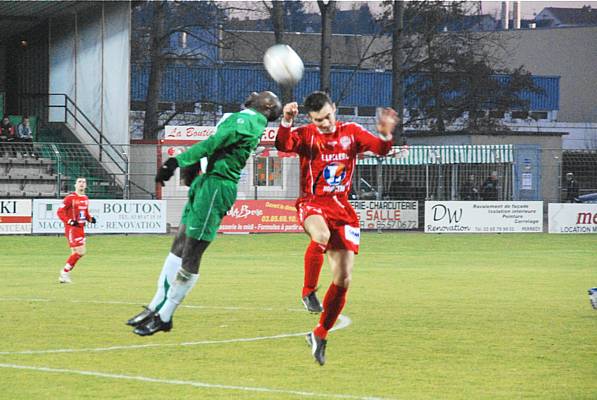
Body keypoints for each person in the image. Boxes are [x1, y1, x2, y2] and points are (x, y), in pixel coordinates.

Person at [127, 91, 282, 336]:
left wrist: (175, 162)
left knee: (192, 251)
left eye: (260, 93)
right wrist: (190, 168)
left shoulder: (249, 120)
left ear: (267, 104)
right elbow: (214, 147)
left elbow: (213, 144)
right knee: (179, 243)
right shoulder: (243, 118)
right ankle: (156, 305)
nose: (252, 93)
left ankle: (166, 315)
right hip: (206, 183)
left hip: (217, 187)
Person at [275, 91, 398, 365]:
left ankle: (320, 333)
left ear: (335, 110)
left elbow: (380, 150)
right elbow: (283, 145)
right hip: (313, 203)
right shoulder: (306, 134)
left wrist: (386, 134)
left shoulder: (351, 132)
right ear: (311, 118)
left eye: (329, 116)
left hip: (341, 209)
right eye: (319, 120)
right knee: (320, 235)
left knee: (344, 279)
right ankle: (308, 292)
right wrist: (285, 120)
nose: (326, 123)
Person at [56, 177, 96, 283]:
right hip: (72, 229)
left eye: (83, 182)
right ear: (75, 185)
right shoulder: (70, 198)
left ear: (86, 185)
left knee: (75, 253)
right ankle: (64, 273)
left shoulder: (85, 198)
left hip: (81, 228)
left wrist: (90, 219)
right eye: (79, 182)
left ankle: (65, 275)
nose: (81, 184)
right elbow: (60, 212)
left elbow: (85, 213)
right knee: (81, 251)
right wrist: (69, 221)